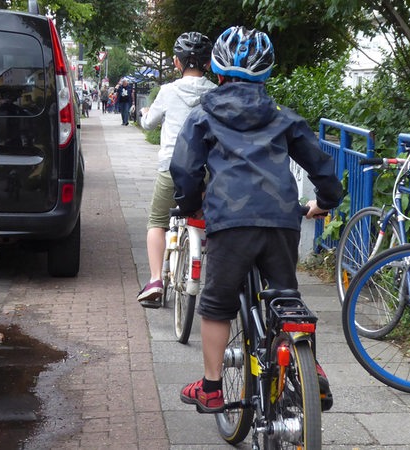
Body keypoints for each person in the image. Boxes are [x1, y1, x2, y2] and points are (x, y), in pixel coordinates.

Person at [169, 26, 344, 414]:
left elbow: (183, 169)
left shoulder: (203, 116)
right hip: (282, 219)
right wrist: (325, 201)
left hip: (230, 223)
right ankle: (308, 368)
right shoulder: (284, 117)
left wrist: (190, 205)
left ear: (217, 72)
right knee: (287, 299)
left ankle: (212, 388)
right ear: (267, 75)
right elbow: (321, 166)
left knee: (216, 305)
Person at [135, 31, 216, 308]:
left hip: (173, 168)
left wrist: (145, 115)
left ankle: (156, 279)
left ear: (176, 62)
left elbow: (148, 125)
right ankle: (200, 242)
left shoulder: (168, 92)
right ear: (208, 63)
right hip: (206, 169)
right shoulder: (216, 93)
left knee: (156, 222)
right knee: (203, 212)